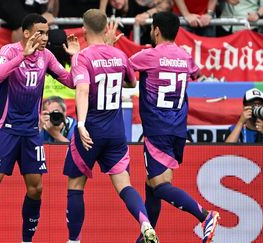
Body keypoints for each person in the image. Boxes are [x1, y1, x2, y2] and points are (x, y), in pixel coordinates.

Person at [0, 13, 80, 243]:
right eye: (40, 32)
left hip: (31, 132)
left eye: (46, 33)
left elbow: (71, 81)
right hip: (6, 129)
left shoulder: (46, 56)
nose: (45, 38)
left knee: (36, 190)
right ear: (26, 33)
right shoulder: (9, 51)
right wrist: (21, 57)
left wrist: (75, 58)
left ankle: (26, 240)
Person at [63, 9, 158, 243]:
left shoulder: (82, 57)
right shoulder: (119, 55)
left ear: (84, 30)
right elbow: (131, 82)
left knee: (76, 185)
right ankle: (145, 222)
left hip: (91, 129)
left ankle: (74, 240)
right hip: (116, 131)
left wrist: (82, 123)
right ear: (107, 29)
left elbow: (83, 89)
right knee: (124, 184)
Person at [128, 11, 219, 243]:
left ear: (156, 30)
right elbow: (196, 74)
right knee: (151, 186)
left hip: (157, 130)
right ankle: (145, 239)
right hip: (178, 130)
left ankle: (204, 215)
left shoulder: (149, 55)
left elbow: (126, 70)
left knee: (159, 186)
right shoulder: (185, 56)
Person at [103, 0, 173, 44]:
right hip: (127, 47)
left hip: (147, 44)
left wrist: (148, 13)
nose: (116, 1)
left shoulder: (139, 2)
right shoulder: (111, 11)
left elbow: (168, 3)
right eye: (112, 0)